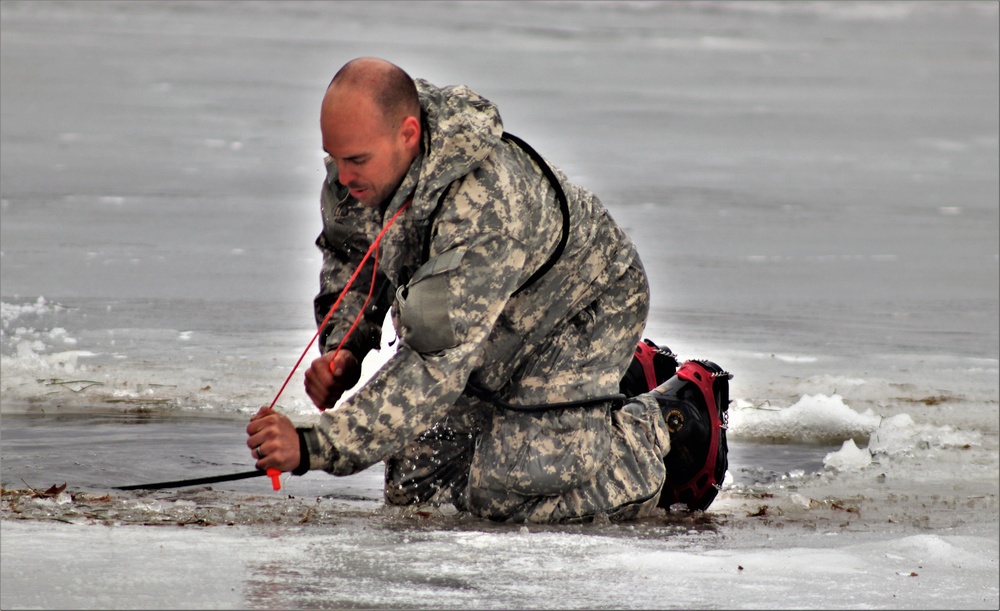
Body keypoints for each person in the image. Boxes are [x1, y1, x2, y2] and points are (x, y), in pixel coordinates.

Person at [246, 57, 721, 523]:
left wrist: (314, 444)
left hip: (584, 309)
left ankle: (664, 423)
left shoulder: (481, 207)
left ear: (407, 134)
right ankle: (609, 390)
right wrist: (345, 346)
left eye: (356, 161)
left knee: (507, 492)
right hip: (494, 316)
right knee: (418, 489)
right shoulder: (362, 168)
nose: (343, 178)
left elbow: (434, 367)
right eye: (333, 157)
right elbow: (352, 254)